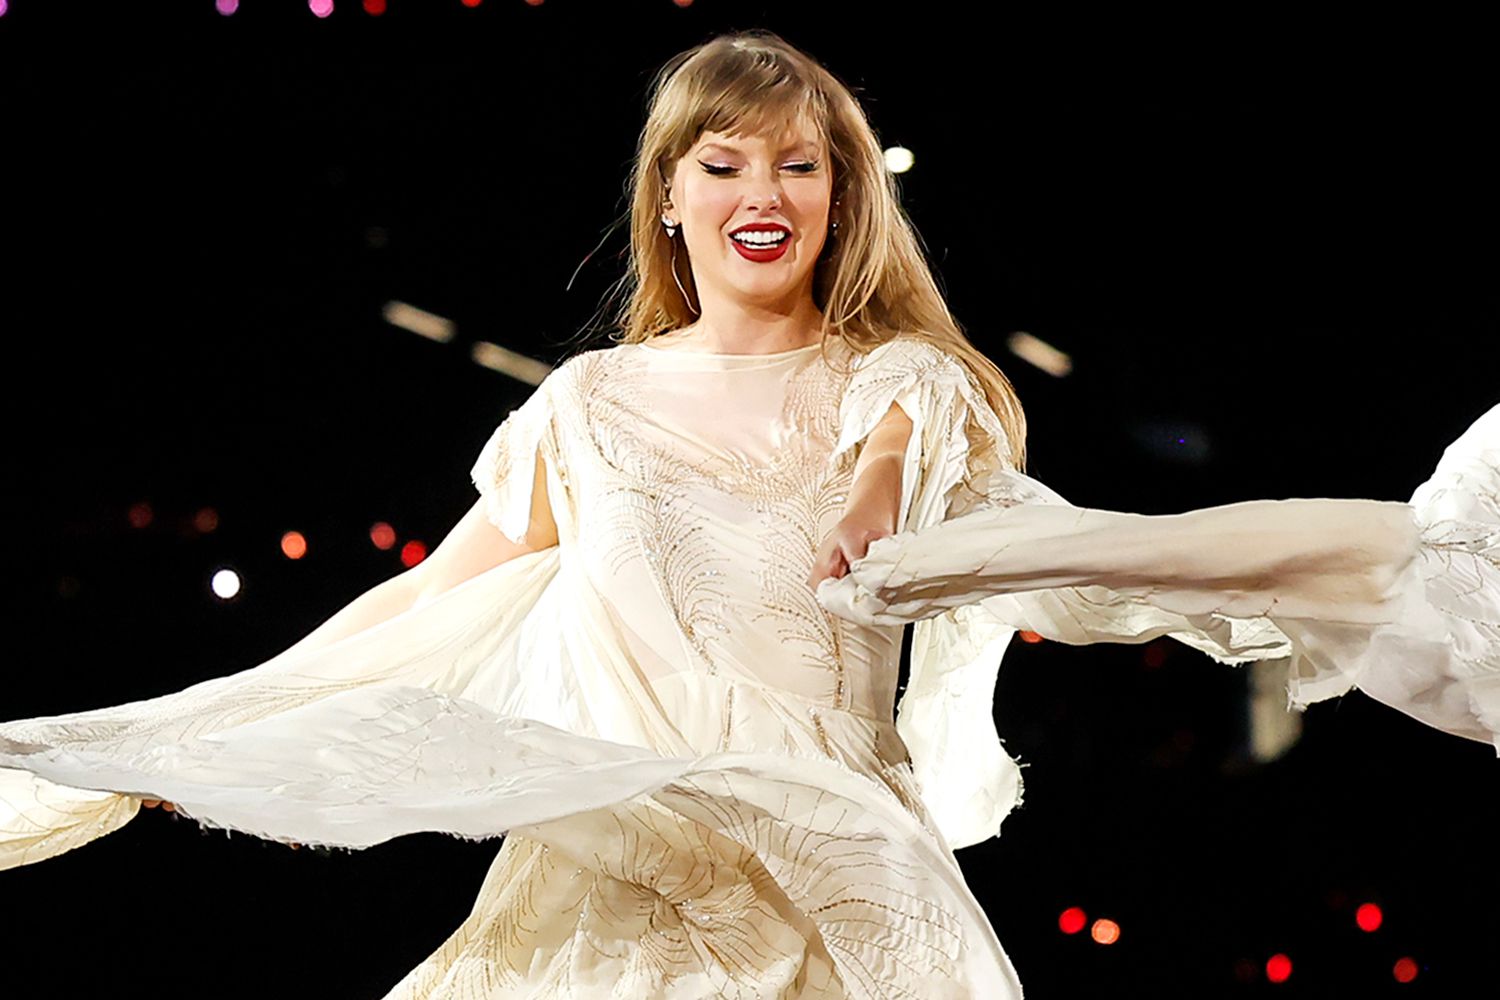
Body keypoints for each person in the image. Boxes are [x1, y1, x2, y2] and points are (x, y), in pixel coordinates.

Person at [1, 29, 1495, 999]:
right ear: (671, 196)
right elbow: (428, 601)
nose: (762, 189)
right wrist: (214, 735)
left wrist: (868, 510)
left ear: (842, 198)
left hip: (840, 870)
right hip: (614, 878)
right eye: (725, 163)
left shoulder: (901, 379)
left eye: (801, 164)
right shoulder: (582, 408)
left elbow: (887, 473)